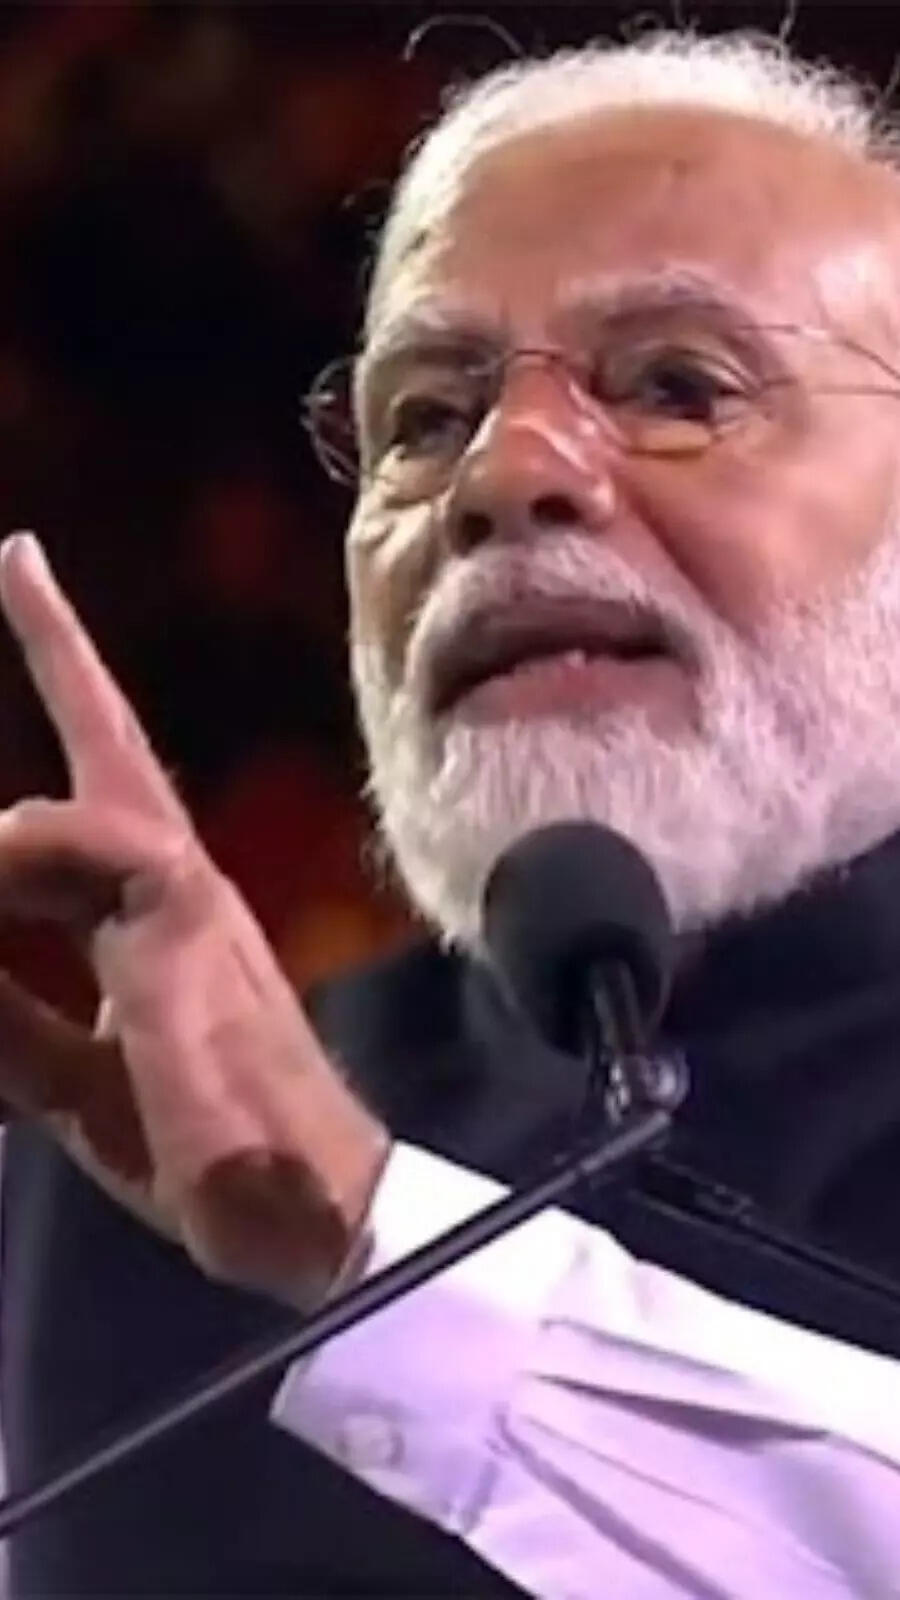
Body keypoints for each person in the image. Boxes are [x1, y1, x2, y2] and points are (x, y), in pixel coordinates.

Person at [3, 23, 900, 1597]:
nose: (504, 471)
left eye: (679, 384)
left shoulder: (298, 1181)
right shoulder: (90, 1184)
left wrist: (368, 1243)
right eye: (423, 419)